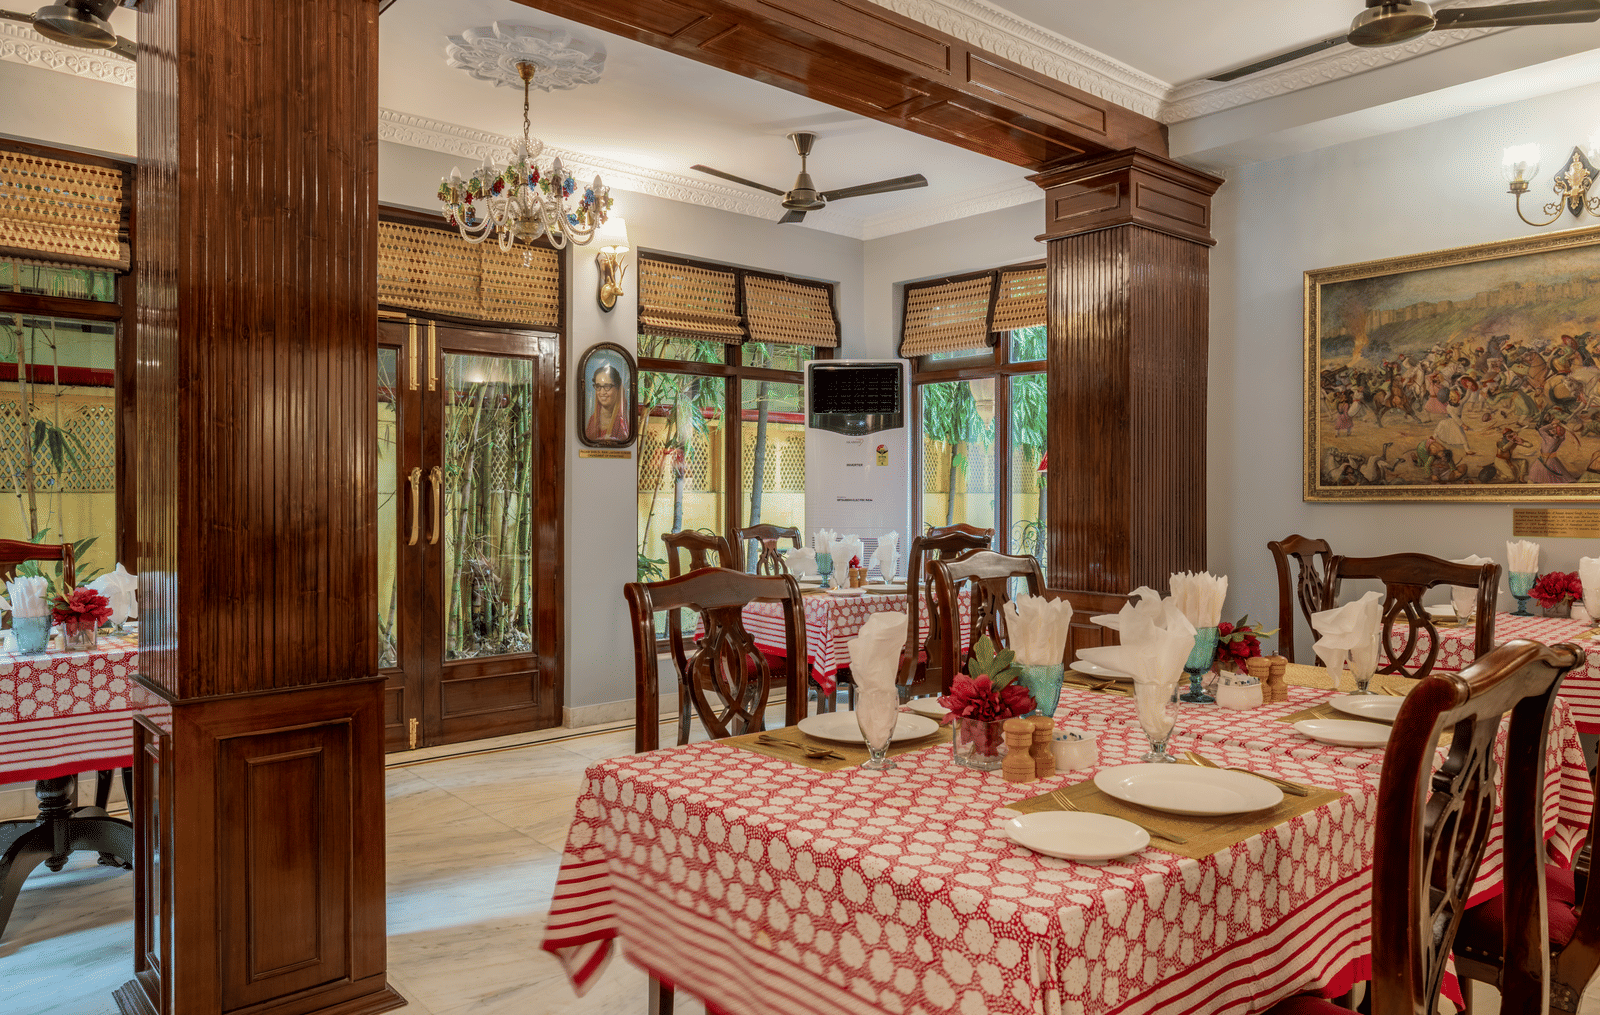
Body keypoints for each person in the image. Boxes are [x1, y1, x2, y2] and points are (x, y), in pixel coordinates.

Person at [585, 363, 629, 442]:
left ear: (617, 389)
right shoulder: (592, 420)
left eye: (607, 387)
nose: (602, 392)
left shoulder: (624, 423)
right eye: (598, 386)